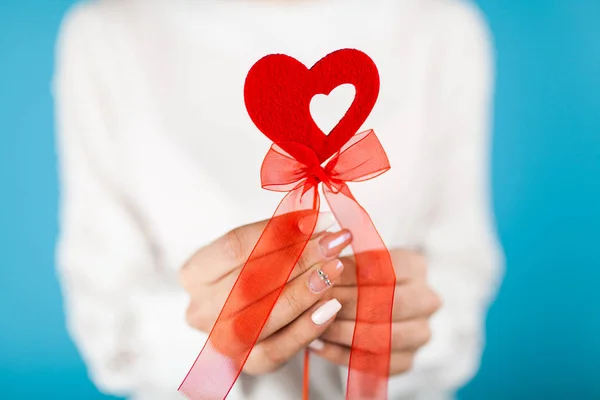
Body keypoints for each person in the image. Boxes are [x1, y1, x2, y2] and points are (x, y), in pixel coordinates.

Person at [54, 0, 503, 399]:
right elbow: (106, 318)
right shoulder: (108, 34)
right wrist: (201, 331)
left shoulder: (443, 28)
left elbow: (462, 277)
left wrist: (414, 329)